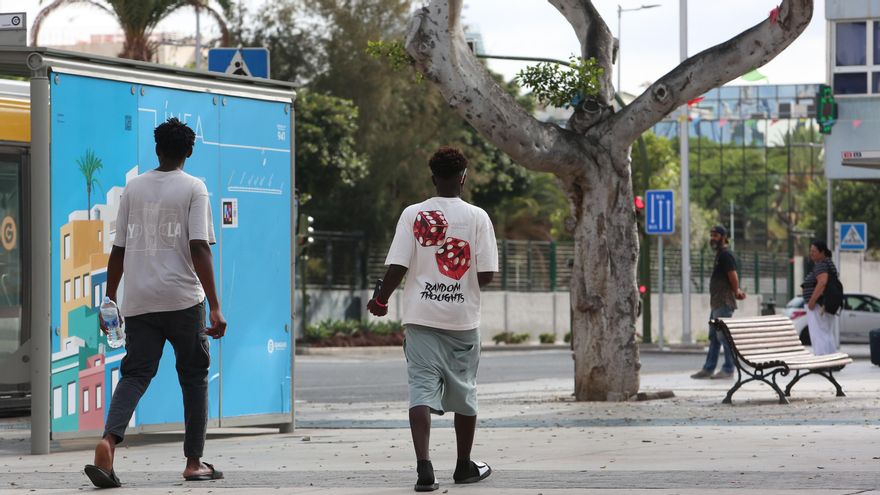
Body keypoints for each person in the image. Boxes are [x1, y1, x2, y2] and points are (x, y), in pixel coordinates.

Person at [84, 118, 227, 488]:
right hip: (183, 300)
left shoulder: (134, 188)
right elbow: (199, 247)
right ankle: (194, 461)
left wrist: (111, 298)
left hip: (140, 300)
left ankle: (108, 441)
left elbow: (119, 250)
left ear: (157, 148)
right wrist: (214, 305)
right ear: (189, 152)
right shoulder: (195, 188)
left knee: (134, 374)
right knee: (194, 377)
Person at [367, 146, 498, 492]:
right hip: (462, 320)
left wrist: (381, 299)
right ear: (463, 177)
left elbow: (397, 266)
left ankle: (424, 467)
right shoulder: (478, 217)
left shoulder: (413, 214)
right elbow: (487, 275)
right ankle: (463, 466)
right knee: (465, 393)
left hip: (420, 318)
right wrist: (460, 280)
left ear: (433, 178)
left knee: (421, 391)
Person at [691, 225, 746, 380]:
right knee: (714, 337)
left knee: (723, 337)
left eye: (715, 235)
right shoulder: (720, 254)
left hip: (723, 302)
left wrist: (736, 291)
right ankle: (708, 368)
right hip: (716, 303)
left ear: (723, 237)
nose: (712, 238)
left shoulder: (726, 255)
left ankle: (728, 369)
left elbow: (733, 276)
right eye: (711, 235)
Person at [801, 239, 839, 355]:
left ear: (822, 252)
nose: (811, 253)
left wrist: (812, 301)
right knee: (826, 333)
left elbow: (822, 282)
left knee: (818, 334)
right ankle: (831, 360)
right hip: (825, 304)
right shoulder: (828, 264)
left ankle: (822, 361)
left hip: (818, 305)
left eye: (814, 251)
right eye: (810, 251)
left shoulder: (821, 265)